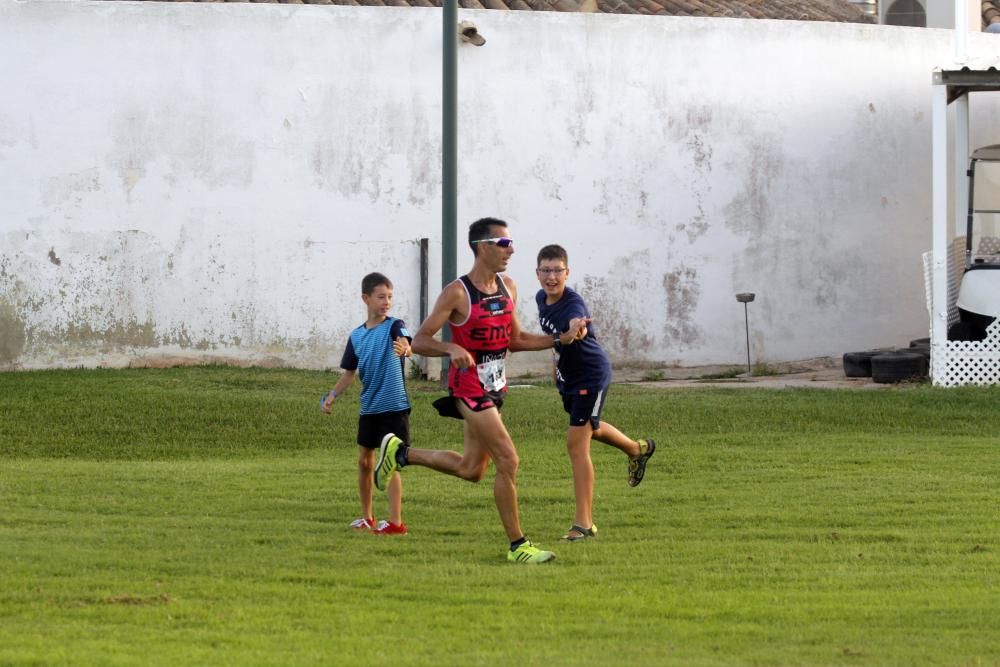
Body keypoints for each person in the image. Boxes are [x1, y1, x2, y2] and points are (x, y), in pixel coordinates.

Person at [372, 218, 587, 564]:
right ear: (481, 247)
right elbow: (421, 340)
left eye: (511, 242)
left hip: (496, 386)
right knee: (508, 459)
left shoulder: (509, 287)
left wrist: (559, 339)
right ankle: (518, 546)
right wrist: (450, 349)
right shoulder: (457, 292)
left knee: (472, 469)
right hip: (468, 387)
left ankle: (401, 454)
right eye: (503, 243)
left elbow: (515, 339)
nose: (511, 249)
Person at [534, 244, 656, 542]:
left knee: (577, 445)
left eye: (557, 270)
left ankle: (583, 524)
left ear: (568, 272)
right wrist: (557, 365)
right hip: (570, 378)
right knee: (591, 429)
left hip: (591, 375)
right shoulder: (541, 298)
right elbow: (558, 342)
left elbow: (578, 326)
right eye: (546, 270)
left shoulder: (573, 304)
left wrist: (577, 329)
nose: (552, 277)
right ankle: (637, 449)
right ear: (538, 273)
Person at [321, 272, 412, 536]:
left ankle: (396, 523)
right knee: (364, 462)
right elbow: (349, 373)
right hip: (369, 407)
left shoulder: (395, 325)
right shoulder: (357, 336)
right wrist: (332, 396)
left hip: (394, 406)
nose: (387, 302)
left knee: (391, 461)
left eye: (390, 297)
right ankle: (367, 518)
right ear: (366, 298)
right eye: (381, 296)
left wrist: (406, 349)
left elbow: (406, 342)